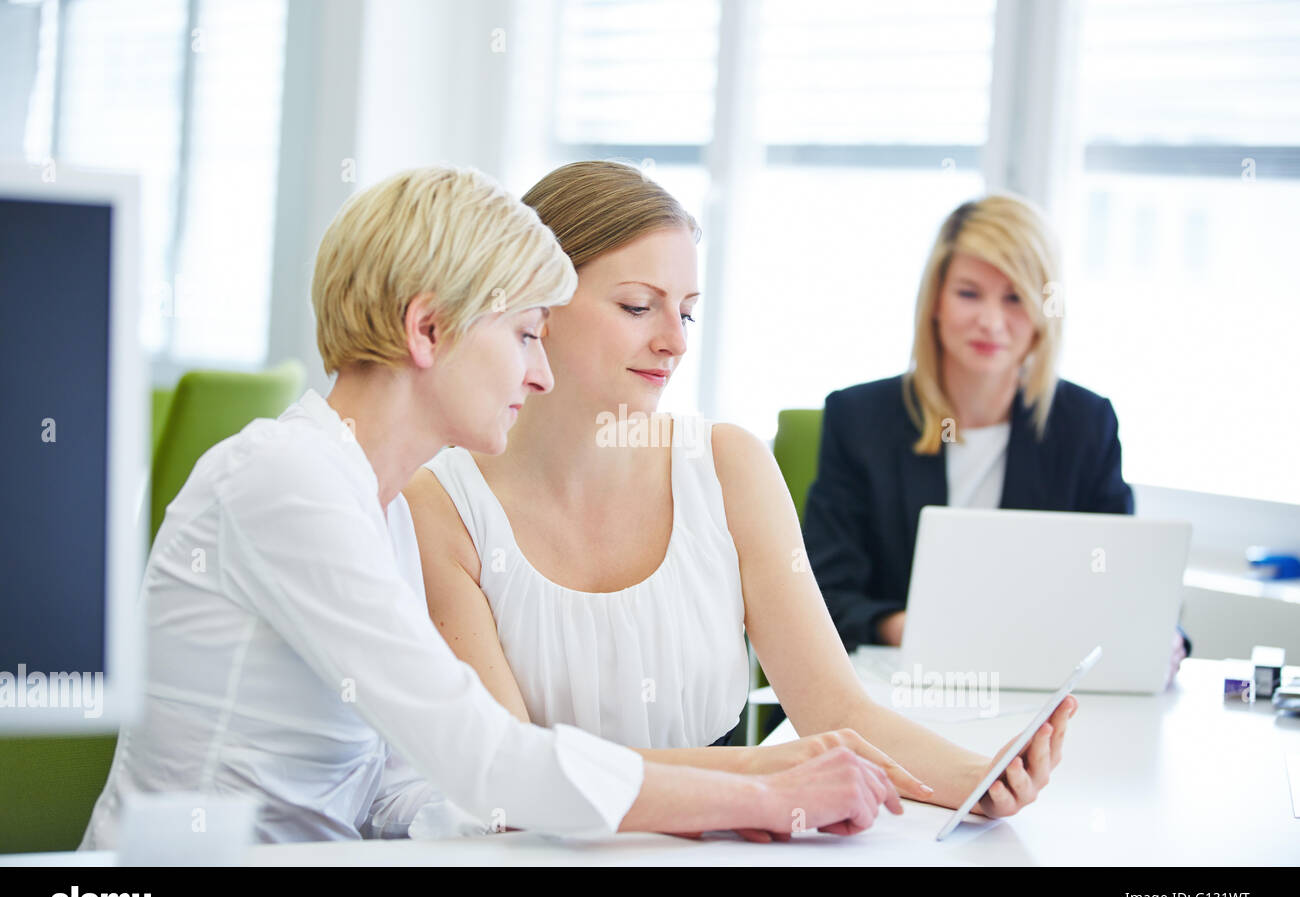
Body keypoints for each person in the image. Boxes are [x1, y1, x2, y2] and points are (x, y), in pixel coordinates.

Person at [80, 165, 900, 849]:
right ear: (429, 329)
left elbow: (407, 789)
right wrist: (755, 792)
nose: (539, 375)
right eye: (524, 335)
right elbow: (486, 758)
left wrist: (705, 792)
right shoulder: (289, 481)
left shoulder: (381, 507)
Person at [404, 161, 1076, 820]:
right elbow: (513, 781)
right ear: (537, 306)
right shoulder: (440, 508)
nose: (674, 343)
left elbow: (836, 711)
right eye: (639, 306)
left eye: (687, 314)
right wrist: (759, 776)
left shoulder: (728, 467)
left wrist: (974, 776)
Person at [802, 194, 1189, 685]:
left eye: (1014, 297)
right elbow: (822, 593)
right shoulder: (859, 418)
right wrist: (916, 633)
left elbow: (1119, 581)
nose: (991, 321)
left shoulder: (1084, 424)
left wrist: (1158, 635)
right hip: (898, 682)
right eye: (969, 293)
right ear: (936, 301)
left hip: (1040, 687)